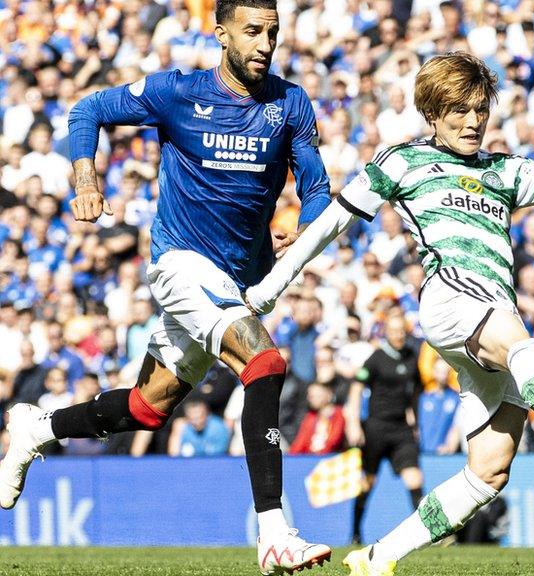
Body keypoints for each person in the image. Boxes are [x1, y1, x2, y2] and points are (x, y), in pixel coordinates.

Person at [243, 51, 534, 576]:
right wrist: (271, 287)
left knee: (489, 472)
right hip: (451, 298)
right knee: (518, 340)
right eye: (458, 111)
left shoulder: (501, 169)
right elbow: (335, 222)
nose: (472, 122)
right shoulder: (401, 162)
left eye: (479, 111)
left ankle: (378, 557)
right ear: (432, 113)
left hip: (489, 315)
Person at [0, 1, 333, 573]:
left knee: (147, 407)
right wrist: (86, 178)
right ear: (221, 33)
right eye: (252, 31)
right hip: (179, 265)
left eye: (272, 32)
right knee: (266, 364)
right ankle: (275, 535)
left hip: (234, 282)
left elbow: (318, 188)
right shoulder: (177, 92)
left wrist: (301, 233)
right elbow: (87, 110)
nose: (264, 43)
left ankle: (38, 426)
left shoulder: (289, 103)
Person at [347, 315, 423, 546]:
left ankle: (427, 534)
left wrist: (413, 420)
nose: (399, 335)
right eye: (394, 331)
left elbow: (415, 390)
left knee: (414, 478)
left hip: (401, 429)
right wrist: (353, 422)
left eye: (402, 331)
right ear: (386, 332)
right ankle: (356, 533)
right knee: (367, 482)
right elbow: (356, 387)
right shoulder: (376, 358)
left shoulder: (412, 357)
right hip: (377, 427)